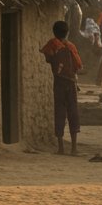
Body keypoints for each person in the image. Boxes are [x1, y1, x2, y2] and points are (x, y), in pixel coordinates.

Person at [42, 21, 83, 155]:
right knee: (73, 113)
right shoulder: (71, 46)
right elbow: (78, 65)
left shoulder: (52, 45)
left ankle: (61, 148)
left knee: (59, 112)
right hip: (71, 83)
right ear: (67, 32)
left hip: (59, 83)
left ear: (54, 32)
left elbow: (48, 58)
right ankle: (74, 148)